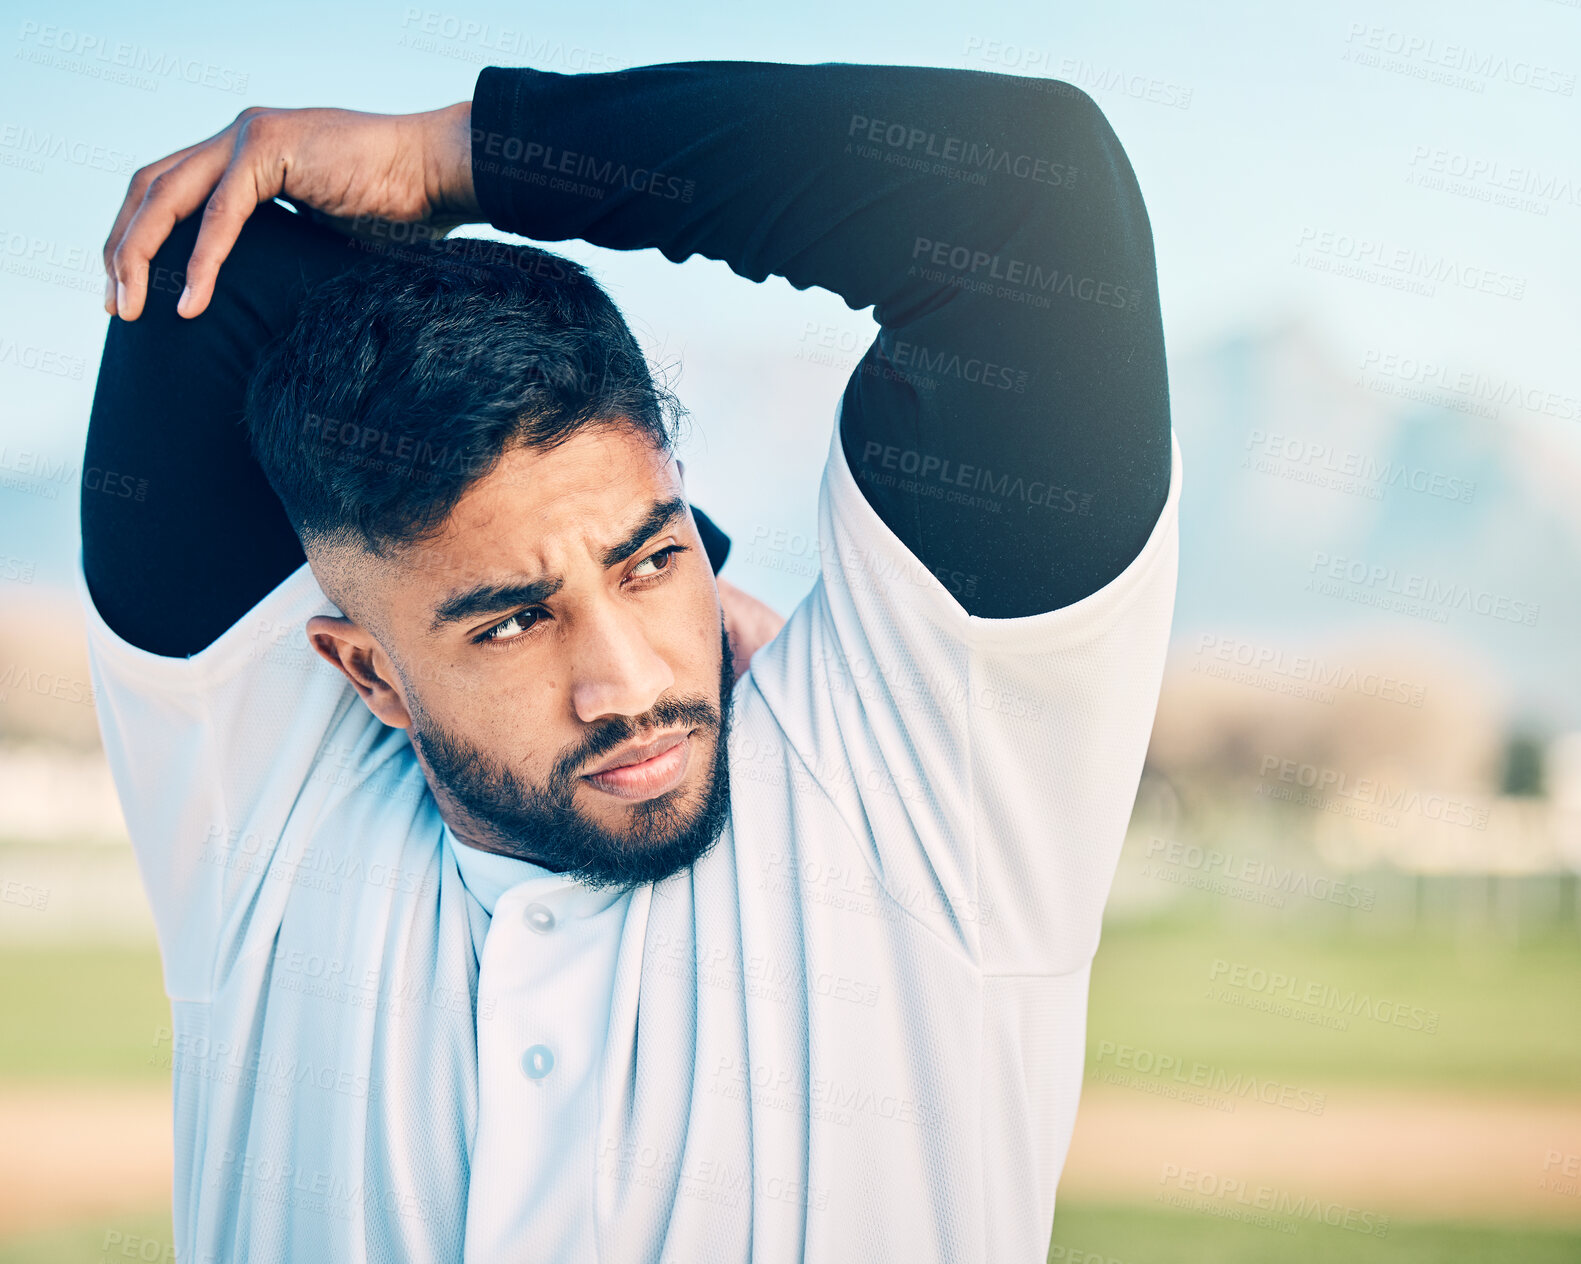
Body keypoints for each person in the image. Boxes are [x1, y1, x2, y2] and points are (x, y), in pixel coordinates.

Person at [85, 58, 1179, 1263]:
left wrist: (454, 156)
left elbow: (1026, 200)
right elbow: (217, 274)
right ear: (370, 675)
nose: (631, 687)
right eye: (510, 620)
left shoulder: (915, 785)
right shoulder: (273, 823)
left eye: (649, 562)